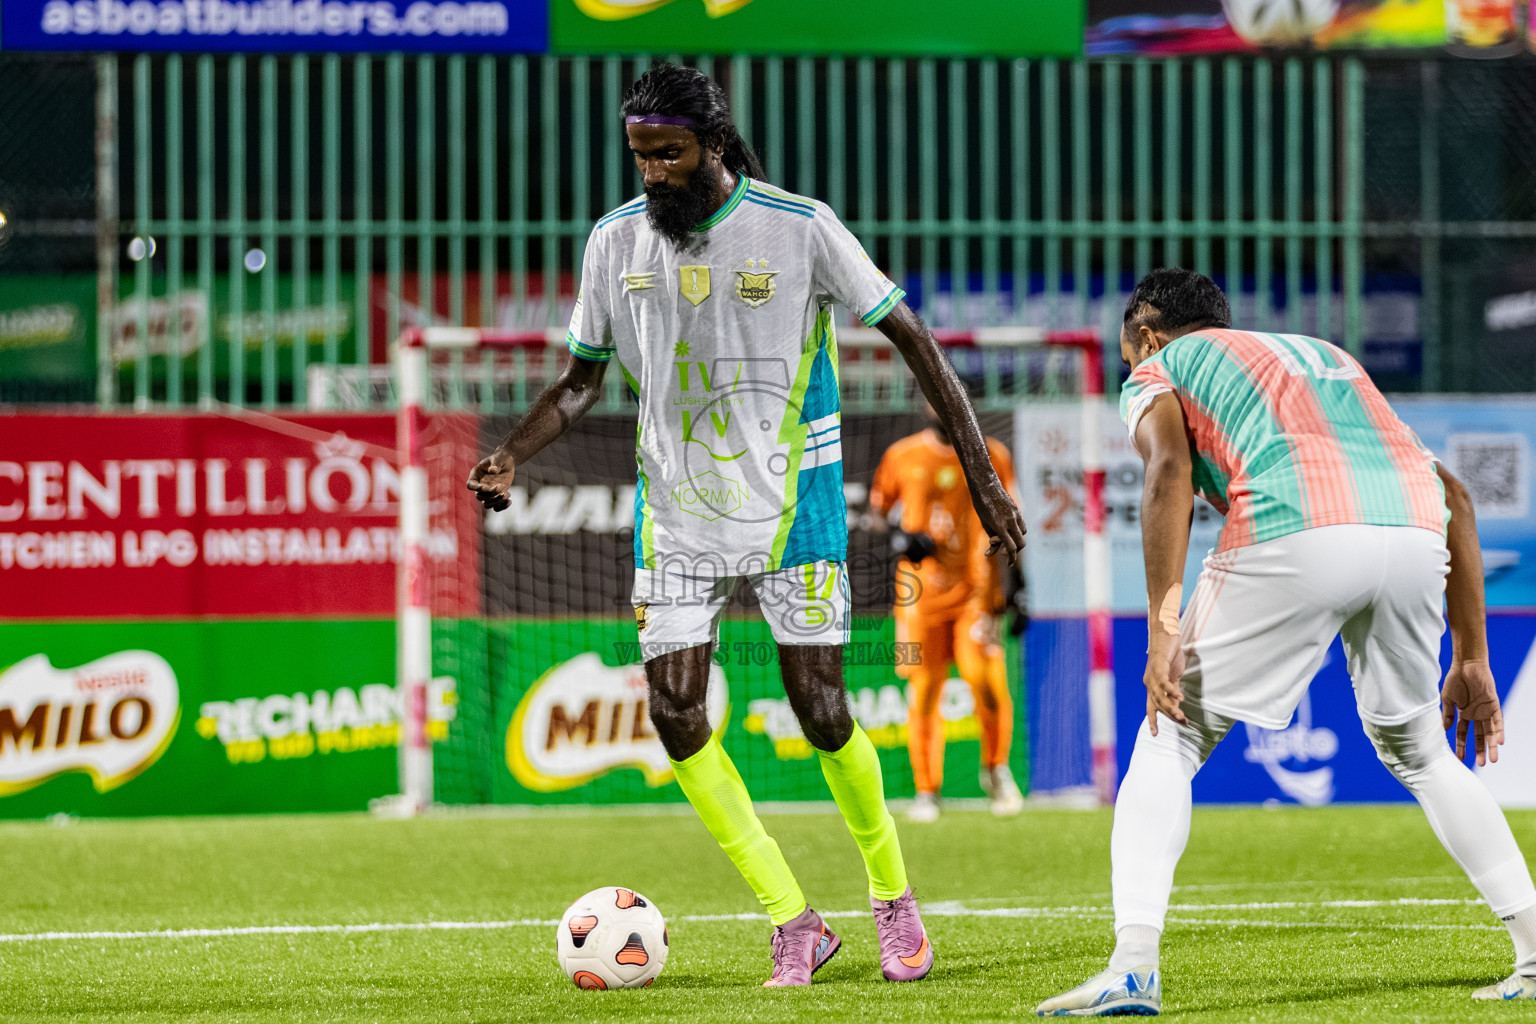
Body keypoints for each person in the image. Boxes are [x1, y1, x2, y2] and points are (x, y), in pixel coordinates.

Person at [466, 64, 1026, 989]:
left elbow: (913, 339)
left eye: (669, 154)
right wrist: (512, 453)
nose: (652, 173)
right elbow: (580, 380)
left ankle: (892, 898)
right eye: (640, 156)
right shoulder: (615, 241)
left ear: (714, 145)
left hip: (792, 506)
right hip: (673, 511)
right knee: (677, 715)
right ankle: (793, 921)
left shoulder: (798, 226)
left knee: (820, 709)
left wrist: (981, 476)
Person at [1037, 268, 1536, 1016]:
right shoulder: (1324, 357)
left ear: (1146, 332)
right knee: (1423, 752)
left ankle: (1133, 967)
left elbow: (1169, 470)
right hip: (1412, 533)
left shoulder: (1159, 367)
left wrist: (1163, 629)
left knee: (1169, 734)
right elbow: (1456, 497)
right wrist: (1472, 658)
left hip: (1298, 528)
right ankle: (1533, 951)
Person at [870, 404, 1026, 820]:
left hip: (977, 591)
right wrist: (903, 536)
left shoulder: (993, 455)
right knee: (922, 692)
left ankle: (996, 771)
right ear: (925, 403)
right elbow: (875, 515)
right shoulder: (902, 455)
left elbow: (1012, 522)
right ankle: (926, 791)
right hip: (916, 597)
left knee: (986, 682)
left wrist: (1019, 589)